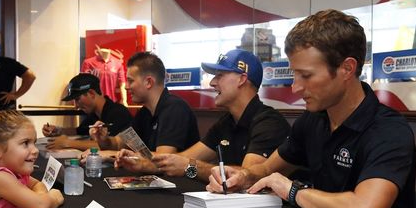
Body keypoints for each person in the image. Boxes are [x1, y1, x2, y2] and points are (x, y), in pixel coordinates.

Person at [208, 9, 416, 208]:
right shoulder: (313, 120)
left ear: (347, 69)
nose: (295, 87)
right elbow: (268, 168)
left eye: (306, 76)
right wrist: (244, 176)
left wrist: (293, 191)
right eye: (294, 75)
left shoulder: (388, 131)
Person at [119, 49, 290, 181]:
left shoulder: (269, 123)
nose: (213, 82)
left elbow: (246, 179)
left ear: (242, 79)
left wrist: (189, 168)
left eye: (220, 76)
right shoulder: (225, 123)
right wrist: (141, 163)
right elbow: (180, 161)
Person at [92, 51, 199, 155]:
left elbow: (164, 160)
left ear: (149, 82)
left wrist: (110, 155)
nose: (126, 86)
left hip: (187, 173)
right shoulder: (145, 112)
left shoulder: (175, 109)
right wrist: (104, 139)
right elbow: (118, 143)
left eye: (130, 81)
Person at [41, 73, 132, 152]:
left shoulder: (118, 113)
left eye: (77, 99)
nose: (76, 106)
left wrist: (67, 143)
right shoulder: (94, 114)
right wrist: (58, 131)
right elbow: (79, 131)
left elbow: (109, 146)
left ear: (91, 93)